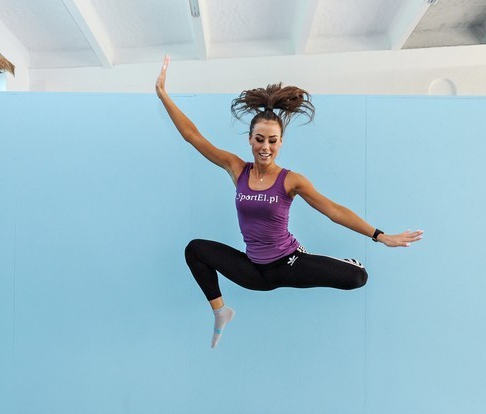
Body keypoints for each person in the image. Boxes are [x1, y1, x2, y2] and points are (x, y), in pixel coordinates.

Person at [155, 56, 423, 348]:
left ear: (281, 142)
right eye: (260, 139)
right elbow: (193, 136)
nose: (265, 147)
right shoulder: (236, 168)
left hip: (288, 263)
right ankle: (221, 312)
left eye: (272, 140)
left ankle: (345, 261)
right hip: (254, 271)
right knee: (195, 249)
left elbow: (332, 210)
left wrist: (380, 236)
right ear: (250, 140)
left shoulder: (291, 180)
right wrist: (163, 95)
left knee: (358, 277)